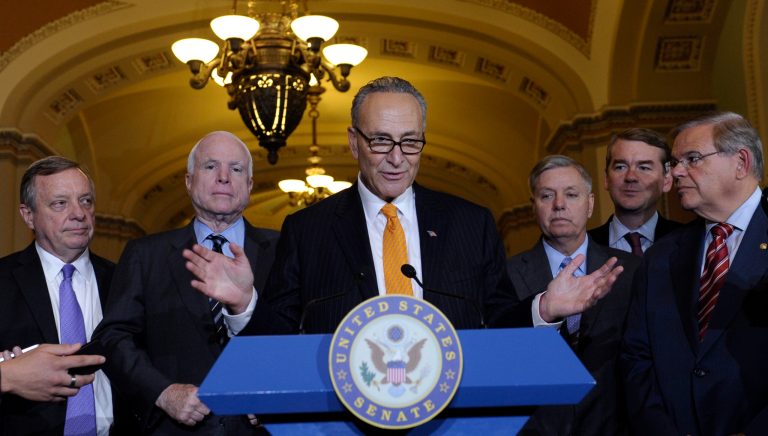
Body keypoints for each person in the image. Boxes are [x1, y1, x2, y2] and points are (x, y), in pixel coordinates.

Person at [236, 76, 624, 335]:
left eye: (410, 141)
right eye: (381, 141)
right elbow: (280, 333)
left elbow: (499, 322)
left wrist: (544, 308)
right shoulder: (308, 230)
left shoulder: (471, 223)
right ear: (354, 142)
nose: (396, 158)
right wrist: (243, 303)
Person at [93, 131, 279, 434]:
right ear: (188, 181)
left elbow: (303, 334)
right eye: (210, 167)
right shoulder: (145, 254)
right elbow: (114, 339)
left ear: (249, 185)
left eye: (236, 169)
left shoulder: (285, 251)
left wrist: (278, 394)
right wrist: (163, 393)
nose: (223, 177)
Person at [620, 112, 768, 435]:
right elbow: (636, 359)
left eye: (692, 159)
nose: (676, 175)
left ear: (741, 162)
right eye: (674, 163)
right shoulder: (660, 257)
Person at [508, 155, 639, 435]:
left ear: (590, 203)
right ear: (534, 206)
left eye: (571, 194)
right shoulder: (505, 274)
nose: (559, 205)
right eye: (547, 195)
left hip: (616, 425)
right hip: (535, 427)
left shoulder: (631, 270)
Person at [0, 156, 126, 435]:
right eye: (60, 203)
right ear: (28, 215)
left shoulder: (125, 280)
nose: (79, 213)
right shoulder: (3, 280)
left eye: (86, 201)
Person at [589, 128, 682, 255]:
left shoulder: (691, 241)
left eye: (644, 168)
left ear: (667, 181)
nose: (630, 177)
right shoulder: (583, 246)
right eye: (620, 167)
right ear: (606, 179)